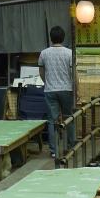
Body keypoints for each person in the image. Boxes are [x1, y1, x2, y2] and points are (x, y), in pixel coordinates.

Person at [38, 25, 75, 161]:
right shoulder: (69, 53)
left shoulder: (44, 53)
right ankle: (71, 146)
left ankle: (53, 150)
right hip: (67, 89)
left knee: (52, 120)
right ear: (63, 38)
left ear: (51, 38)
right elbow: (74, 73)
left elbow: (41, 72)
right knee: (69, 117)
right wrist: (76, 89)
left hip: (50, 90)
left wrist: (47, 82)